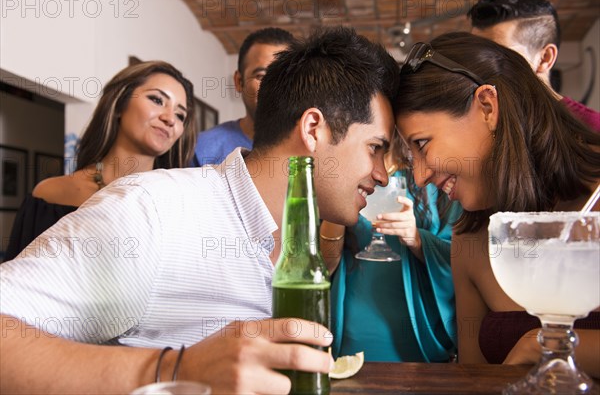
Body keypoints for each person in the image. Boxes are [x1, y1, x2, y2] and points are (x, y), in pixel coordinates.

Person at [0, 27, 400, 394]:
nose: (382, 175)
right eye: (375, 149)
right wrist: (174, 369)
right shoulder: (153, 212)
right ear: (313, 129)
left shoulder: (300, 238)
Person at [395, 32, 600, 377]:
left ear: (488, 106)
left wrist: (539, 344)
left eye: (423, 143)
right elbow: (472, 378)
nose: (419, 176)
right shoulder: (472, 233)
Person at [4, 61, 197, 262]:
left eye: (180, 114)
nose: (170, 119)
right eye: (157, 100)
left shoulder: (178, 205)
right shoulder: (48, 196)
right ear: (120, 104)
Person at [320, 133, 462, 363]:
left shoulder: (435, 172)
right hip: (354, 330)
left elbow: (461, 261)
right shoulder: (348, 162)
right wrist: (340, 198)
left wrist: (417, 239)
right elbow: (323, 266)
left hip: (420, 336)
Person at [468, 0, 600, 132]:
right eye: (477, 54)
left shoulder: (593, 131)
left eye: (499, 55)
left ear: (545, 58)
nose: (480, 65)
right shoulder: (478, 124)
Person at [192, 27, 294, 166]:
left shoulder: (314, 146)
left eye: (283, 77)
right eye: (261, 76)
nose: (273, 86)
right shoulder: (203, 149)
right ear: (239, 82)